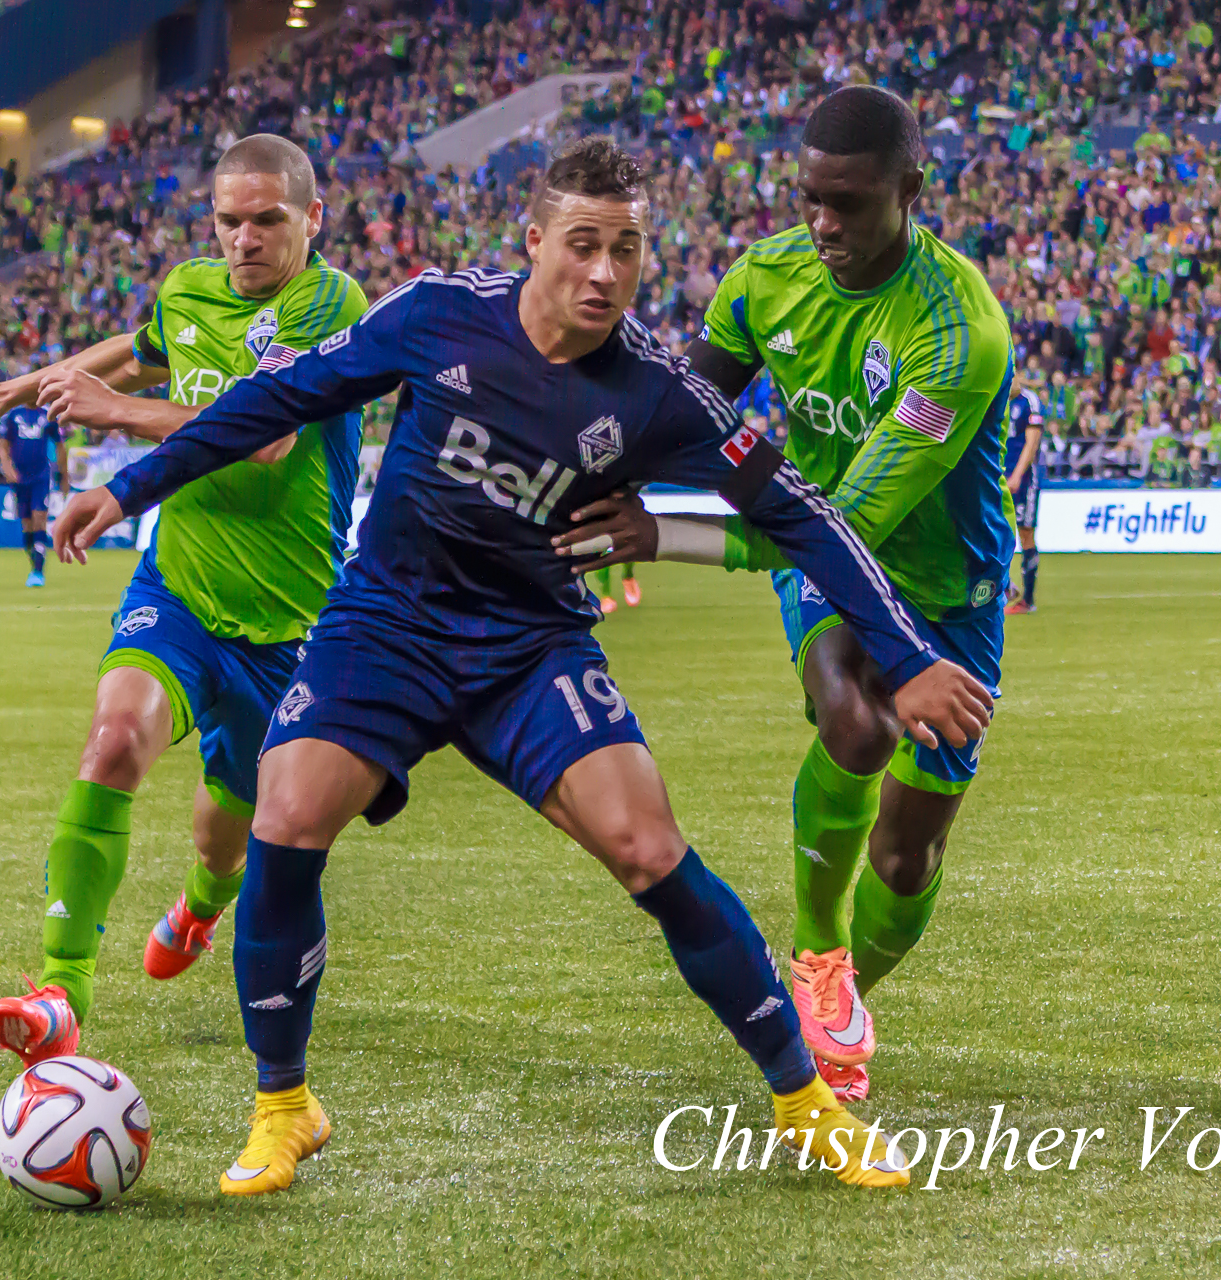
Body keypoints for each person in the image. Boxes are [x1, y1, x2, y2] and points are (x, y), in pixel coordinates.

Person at [54, 137, 995, 1195]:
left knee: (648, 845)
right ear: (535, 240)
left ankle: (803, 1101)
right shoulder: (434, 312)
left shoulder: (654, 392)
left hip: (528, 643)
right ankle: (284, 1105)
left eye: (627, 251)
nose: (604, 273)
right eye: (583, 246)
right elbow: (270, 404)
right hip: (388, 623)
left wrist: (908, 657)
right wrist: (128, 489)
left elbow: (803, 516)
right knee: (286, 811)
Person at [553, 88, 1015, 1104]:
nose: (822, 225)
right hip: (826, 560)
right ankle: (816, 957)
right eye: (808, 199)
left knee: (906, 857)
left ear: (911, 192)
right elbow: (679, 408)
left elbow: (841, 521)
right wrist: (593, 472)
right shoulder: (768, 279)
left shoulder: (960, 334)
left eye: (847, 204)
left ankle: (840, 986)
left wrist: (662, 533)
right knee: (855, 720)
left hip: (945, 588)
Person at [0, 135, 368, 1063]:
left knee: (221, 836)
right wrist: (18, 389)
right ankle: (59, 991)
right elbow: (144, 350)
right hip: (182, 586)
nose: (244, 240)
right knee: (114, 739)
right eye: (228, 221)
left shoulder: (330, 303)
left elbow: (267, 435)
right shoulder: (190, 288)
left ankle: (202, 906)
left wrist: (108, 412)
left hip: (290, 627)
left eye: (267, 221)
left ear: (312, 219)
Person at [0, 403, 67, 587]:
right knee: (26, 525)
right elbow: (3, 444)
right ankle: (33, 563)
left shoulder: (48, 415)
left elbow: (60, 445)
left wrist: (64, 475)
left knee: (39, 519)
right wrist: (6, 466)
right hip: (19, 477)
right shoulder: (13, 415)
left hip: (41, 476)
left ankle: (38, 571)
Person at [1004, 377, 1044, 614]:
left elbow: (1032, 443)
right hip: (998, 476)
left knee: (1025, 533)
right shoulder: (998, 400)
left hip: (1024, 479)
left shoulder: (1029, 401)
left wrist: (1017, 475)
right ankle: (1005, 587)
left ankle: (1027, 600)